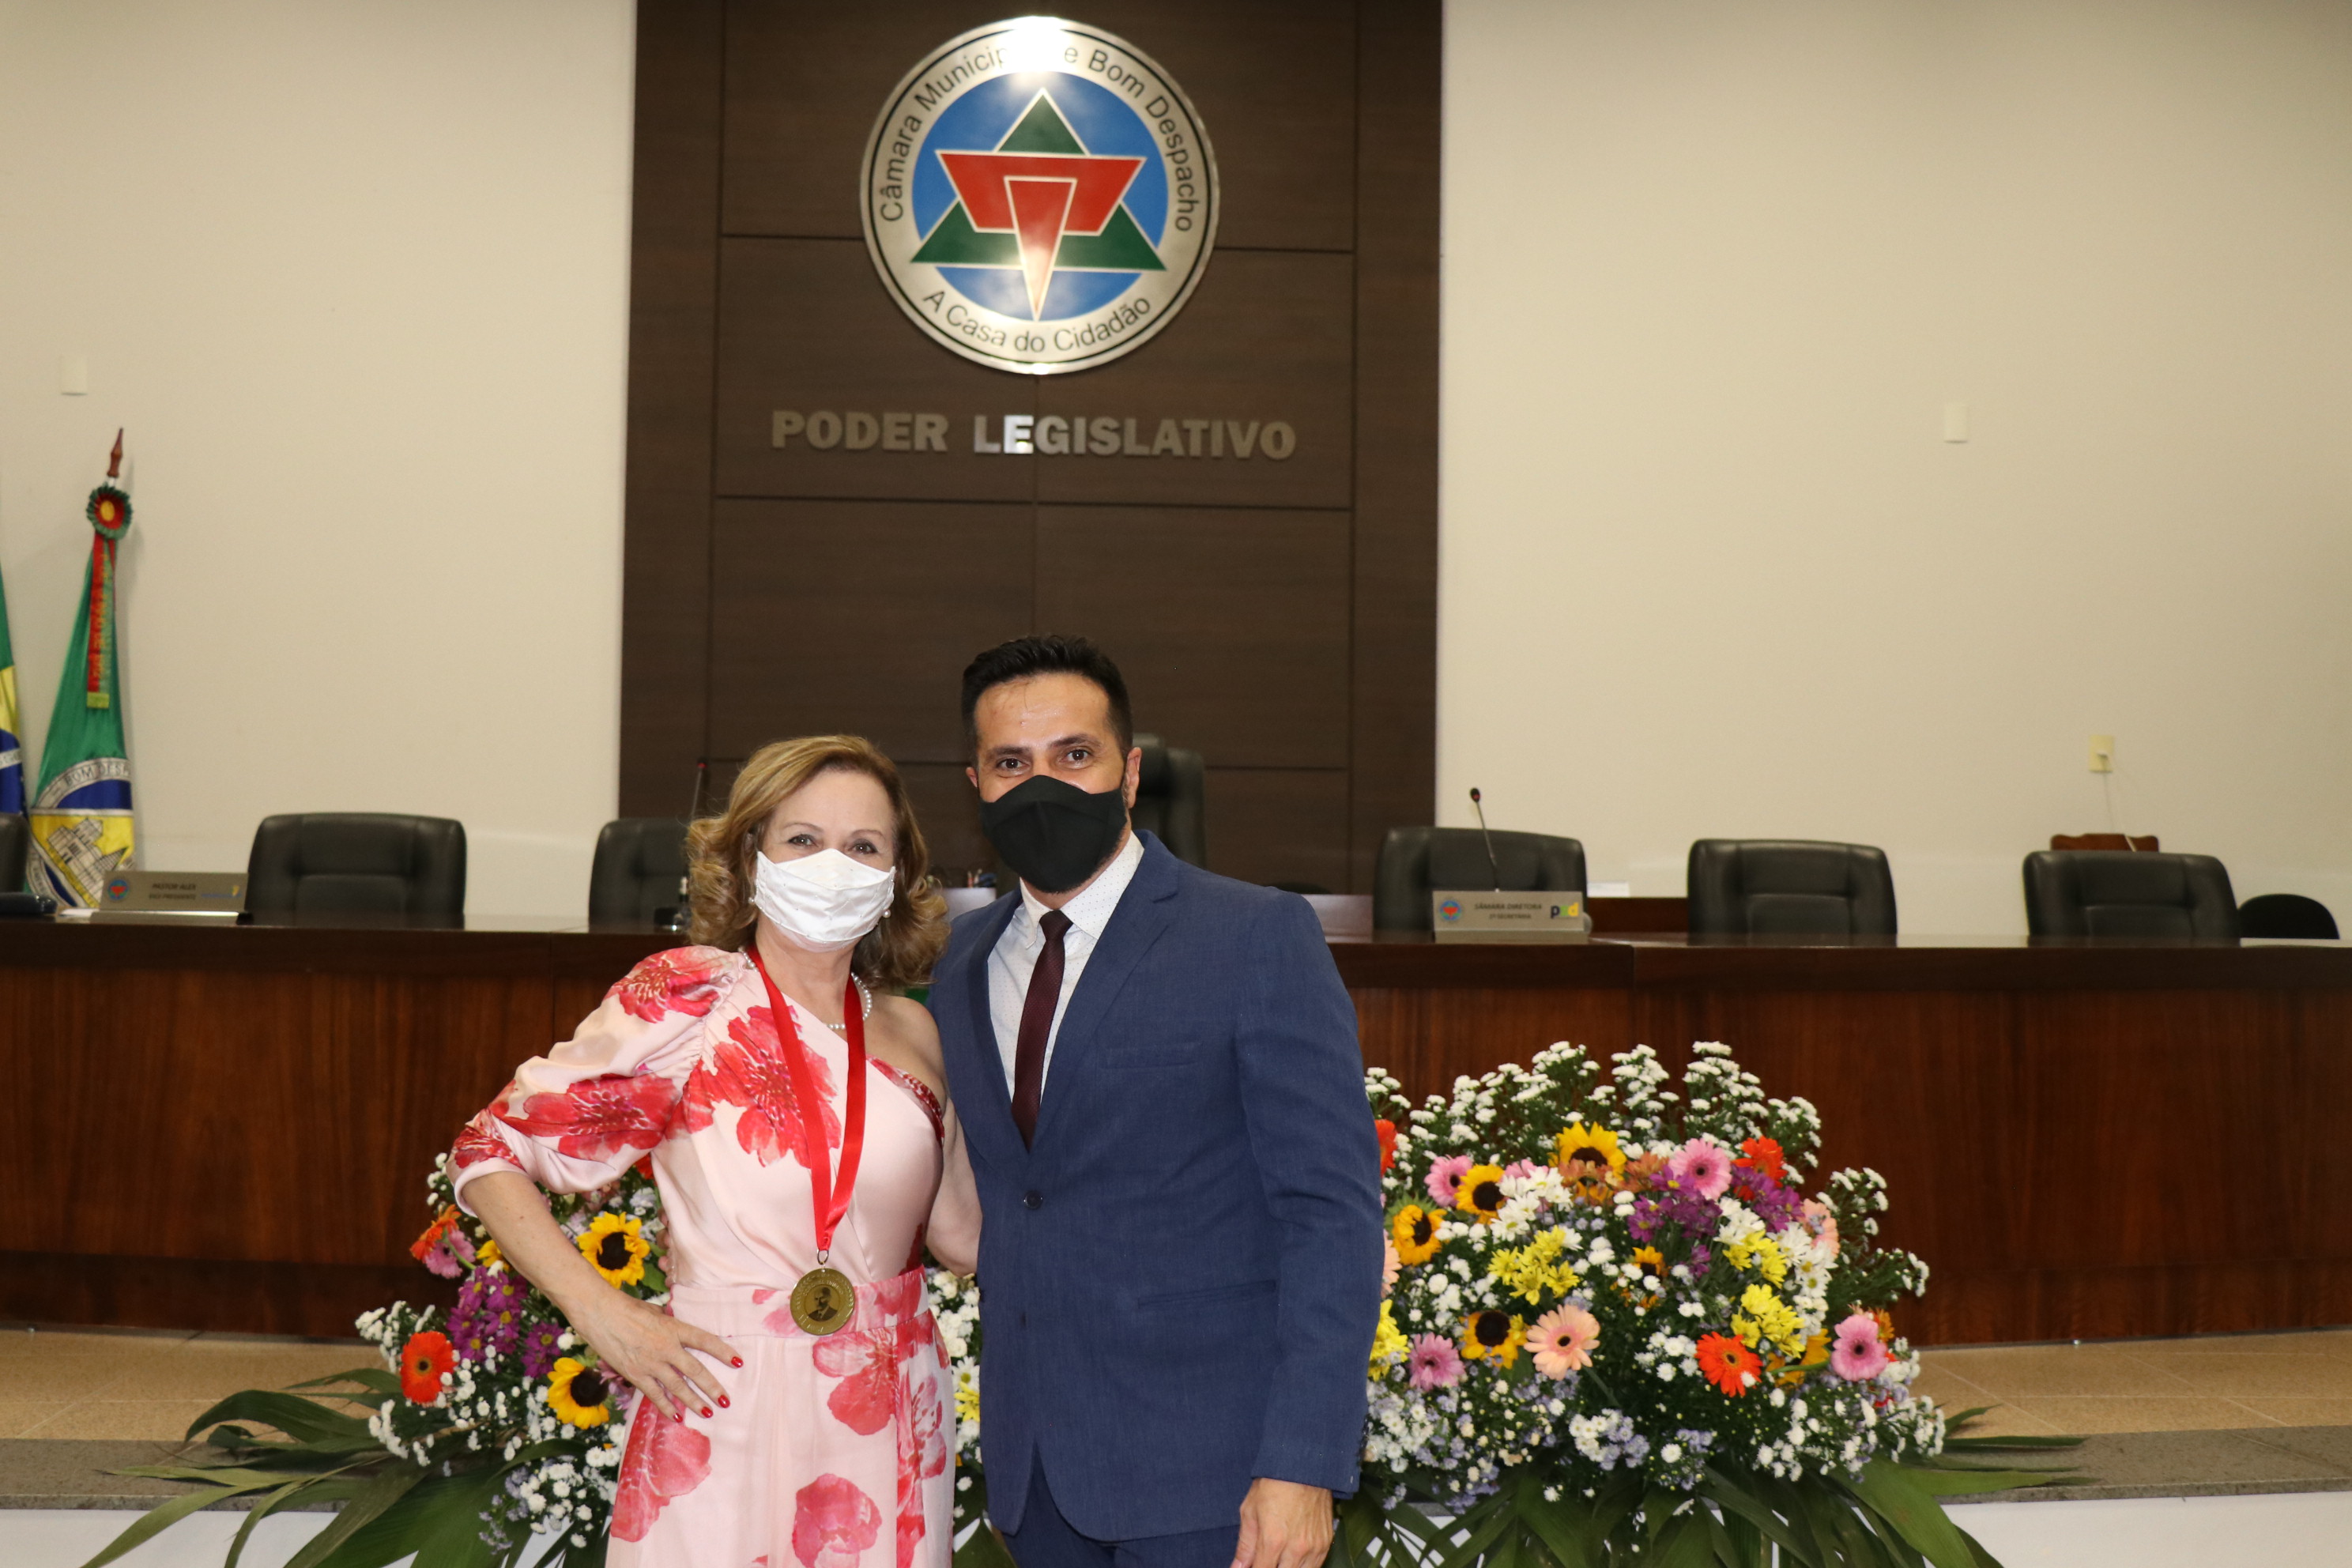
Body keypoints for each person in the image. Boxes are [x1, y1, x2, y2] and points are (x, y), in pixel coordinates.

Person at [450, 736, 979, 1568]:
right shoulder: (689, 997)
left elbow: (964, 1238)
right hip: (722, 1393)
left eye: (863, 846)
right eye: (802, 839)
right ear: (750, 855)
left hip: (889, 1403)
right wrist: (603, 1316)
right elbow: (490, 1151)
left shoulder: (914, 1027)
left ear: (896, 877)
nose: (833, 865)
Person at [928, 636, 1385, 1568]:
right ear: (976, 783)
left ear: (1130, 774)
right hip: (1036, 1481)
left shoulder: (1256, 935)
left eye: (1074, 754)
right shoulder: (961, 965)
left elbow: (1331, 1216)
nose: (1042, 786)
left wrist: (1302, 1462)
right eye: (1012, 763)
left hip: (1217, 1481)